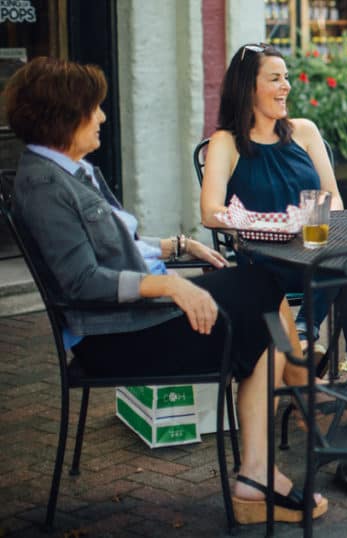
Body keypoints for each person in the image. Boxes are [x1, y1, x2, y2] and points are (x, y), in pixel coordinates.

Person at [4, 57, 327, 524]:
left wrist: (177, 245)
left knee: (262, 290)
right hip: (117, 340)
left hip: (138, 316)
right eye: (93, 108)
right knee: (261, 301)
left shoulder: (71, 170)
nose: (102, 117)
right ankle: (270, 449)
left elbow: (111, 243)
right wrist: (171, 284)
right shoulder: (44, 186)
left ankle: (262, 466)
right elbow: (81, 281)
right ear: (63, 116)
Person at [200, 43, 347, 432]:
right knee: (343, 269)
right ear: (247, 88)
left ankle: (330, 357)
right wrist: (270, 223)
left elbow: (333, 195)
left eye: (286, 77)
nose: (286, 86)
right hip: (265, 263)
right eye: (275, 78)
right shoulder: (226, 142)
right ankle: (321, 358)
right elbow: (210, 212)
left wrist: (324, 221)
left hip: (314, 252)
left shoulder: (305, 131)